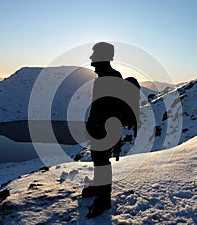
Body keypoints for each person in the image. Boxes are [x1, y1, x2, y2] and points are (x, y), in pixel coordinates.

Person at [82, 42, 123, 218]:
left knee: (102, 161)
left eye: (95, 54)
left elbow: (110, 107)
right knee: (98, 159)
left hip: (105, 128)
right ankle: (99, 186)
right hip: (99, 126)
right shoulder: (105, 77)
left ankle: (104, 199)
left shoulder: (110, 78)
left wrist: (100, 127)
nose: (92, 58)